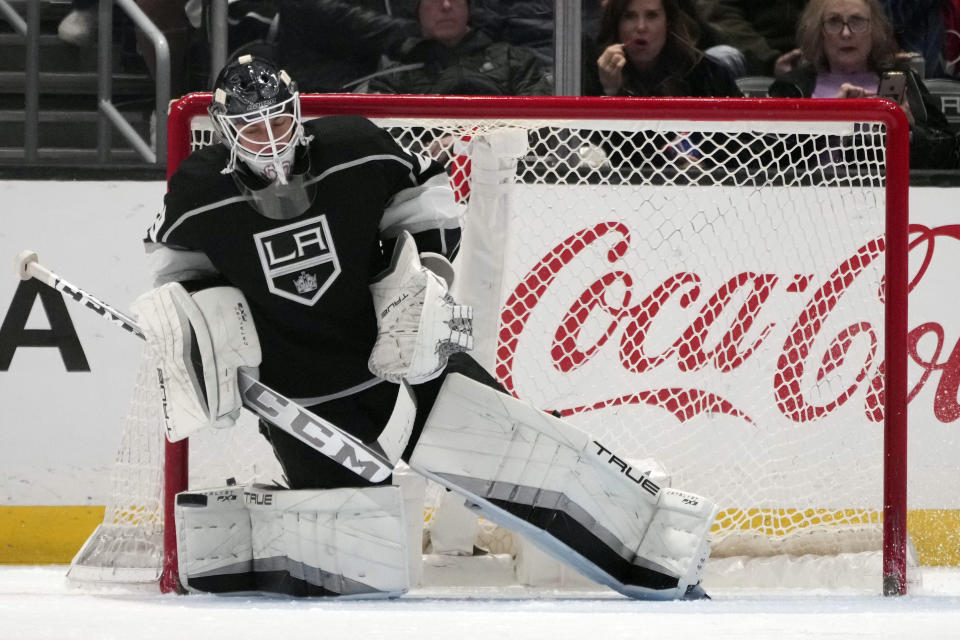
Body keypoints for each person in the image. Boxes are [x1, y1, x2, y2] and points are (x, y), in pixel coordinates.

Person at [135, 54, 716, 599]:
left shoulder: (356, 148)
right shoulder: (199, 194)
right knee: (356, 550)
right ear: (224, 128)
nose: (271, 140)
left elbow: (426, 200)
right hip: (300, 398)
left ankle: (663, 548)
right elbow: (177, 271)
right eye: (252, 129)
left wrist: (426, 283)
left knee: (520, 455)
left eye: (278, 121)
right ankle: (238, 535)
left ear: (296, 112)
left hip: (404, 358)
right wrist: (201, 336)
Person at [768, 0, 958, 170]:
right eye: (834, 22)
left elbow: (950, 155)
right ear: (818, 31)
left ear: (874, 29)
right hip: (812, 197)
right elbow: (766, 159)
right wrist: (826, 121)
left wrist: (908, 130)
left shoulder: (904, 80)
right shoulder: (793, 85)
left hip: (891, 197)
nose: (846, 33)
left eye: (857, 21)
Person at [367, 0, 553, 96]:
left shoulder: (514, 60)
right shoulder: (394, 75)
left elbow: (542, 127)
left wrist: (473, 141)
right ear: (417, 9)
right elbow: (384, 138)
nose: (446, 5)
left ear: (468, 7)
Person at [584, 0, 742, 97]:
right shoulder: (593, 70)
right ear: (616, 23)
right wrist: (611, 92)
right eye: (629, 16)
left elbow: (746, 144)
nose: (641, 27)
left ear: (668, 21)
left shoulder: (707, 73)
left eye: (652, 15)